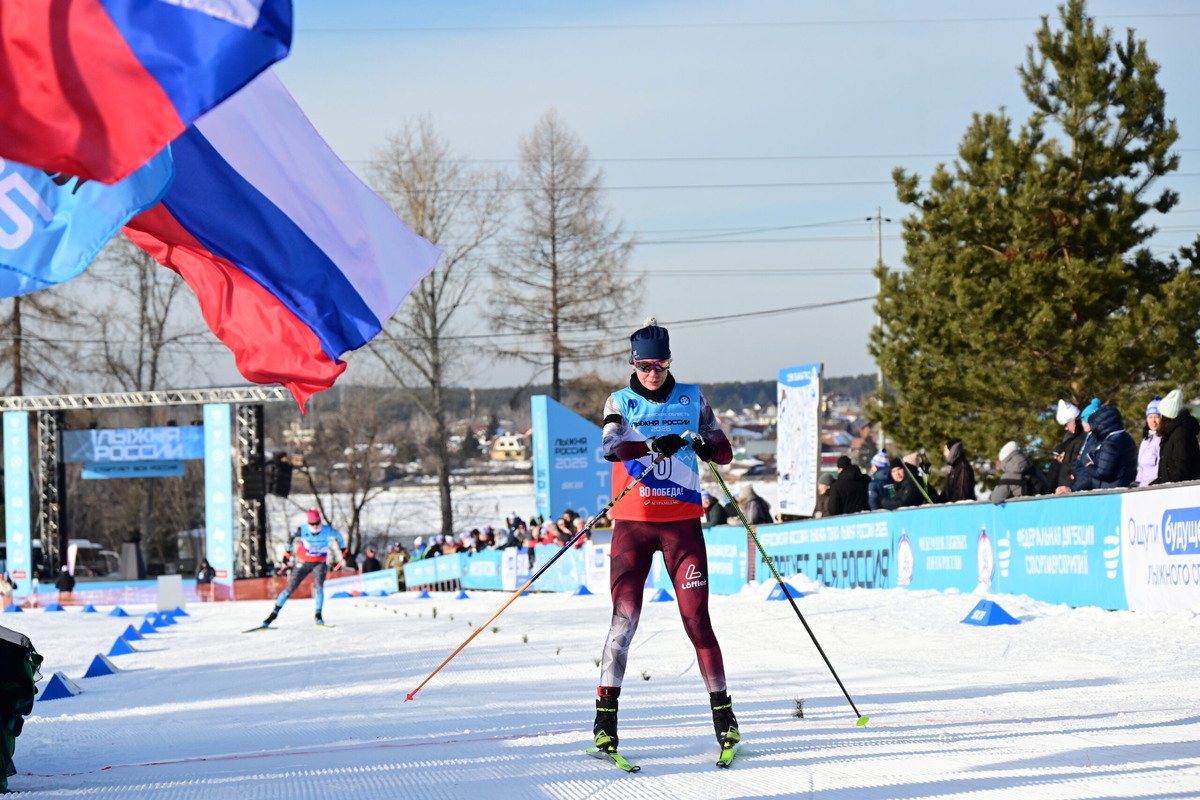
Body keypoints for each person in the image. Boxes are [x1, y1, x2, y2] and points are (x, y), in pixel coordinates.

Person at [593, 317, 740, 758]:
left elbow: (725, 452)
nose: (652, 373)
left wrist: (706, 447)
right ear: (633, 364)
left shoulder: (693, 398)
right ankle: (604, 723)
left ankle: (725, 718)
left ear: (670, 361)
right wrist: (654, 446)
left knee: (698, 622)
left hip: (683, 527)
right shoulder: (618, 401)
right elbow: (611, 447)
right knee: (625, 622)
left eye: (659, 364)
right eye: (644, 366)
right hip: (633, 526)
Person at [261, 509, 346, 628]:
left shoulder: (327, 530)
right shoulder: (302, 530)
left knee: (319, 588)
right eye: (312, 524)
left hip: (319, 563)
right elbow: (290, 539)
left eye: (317, 523)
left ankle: (318, 617)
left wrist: (343, 549)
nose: (315, 526)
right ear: (308, 523)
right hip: (303, 562)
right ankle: (272, 615)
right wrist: (287, 553)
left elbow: (339, 536)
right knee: (290, 589)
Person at [1060, 403, 1136, 493]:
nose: (1082, 422)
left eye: (1084, 419)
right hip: (1108, 489)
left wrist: (1089, 467)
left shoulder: (1109, 442)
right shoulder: (1117, 438)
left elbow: (1101, 472)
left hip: (1111, 491)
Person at [1151, 389, 1200, 485]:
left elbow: (1181, 471)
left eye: (1160, 415)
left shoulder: (1181, 435)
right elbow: (1165, 474)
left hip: (1181, 493)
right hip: (1171, 491)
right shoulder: (1170, 435)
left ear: (1166, 416)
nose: (1159, 418)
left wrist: (1166, 489)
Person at [1047, 400, 1087, 490]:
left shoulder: (1083, 440)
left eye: (1066, 424)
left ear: (1074, 420)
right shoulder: (1068, 441)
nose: (1066, 428)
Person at [1136, 397, 1163, 486]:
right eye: (1150, 417)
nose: (1153, 421)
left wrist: (1150, 486)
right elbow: (1141, 467)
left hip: (1154, 487)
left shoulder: (1162, 439)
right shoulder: (1146, 440)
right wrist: (1137, 482)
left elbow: (1160, 468)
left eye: (1156, 417)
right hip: (1143, 487)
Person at [942, 439, 976, 503]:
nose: (944, 454)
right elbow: (946, 495)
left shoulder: (963, 468)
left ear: (952, 451)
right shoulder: (953, 469)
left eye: (946, 451)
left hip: (962, 510)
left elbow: (961, 496)